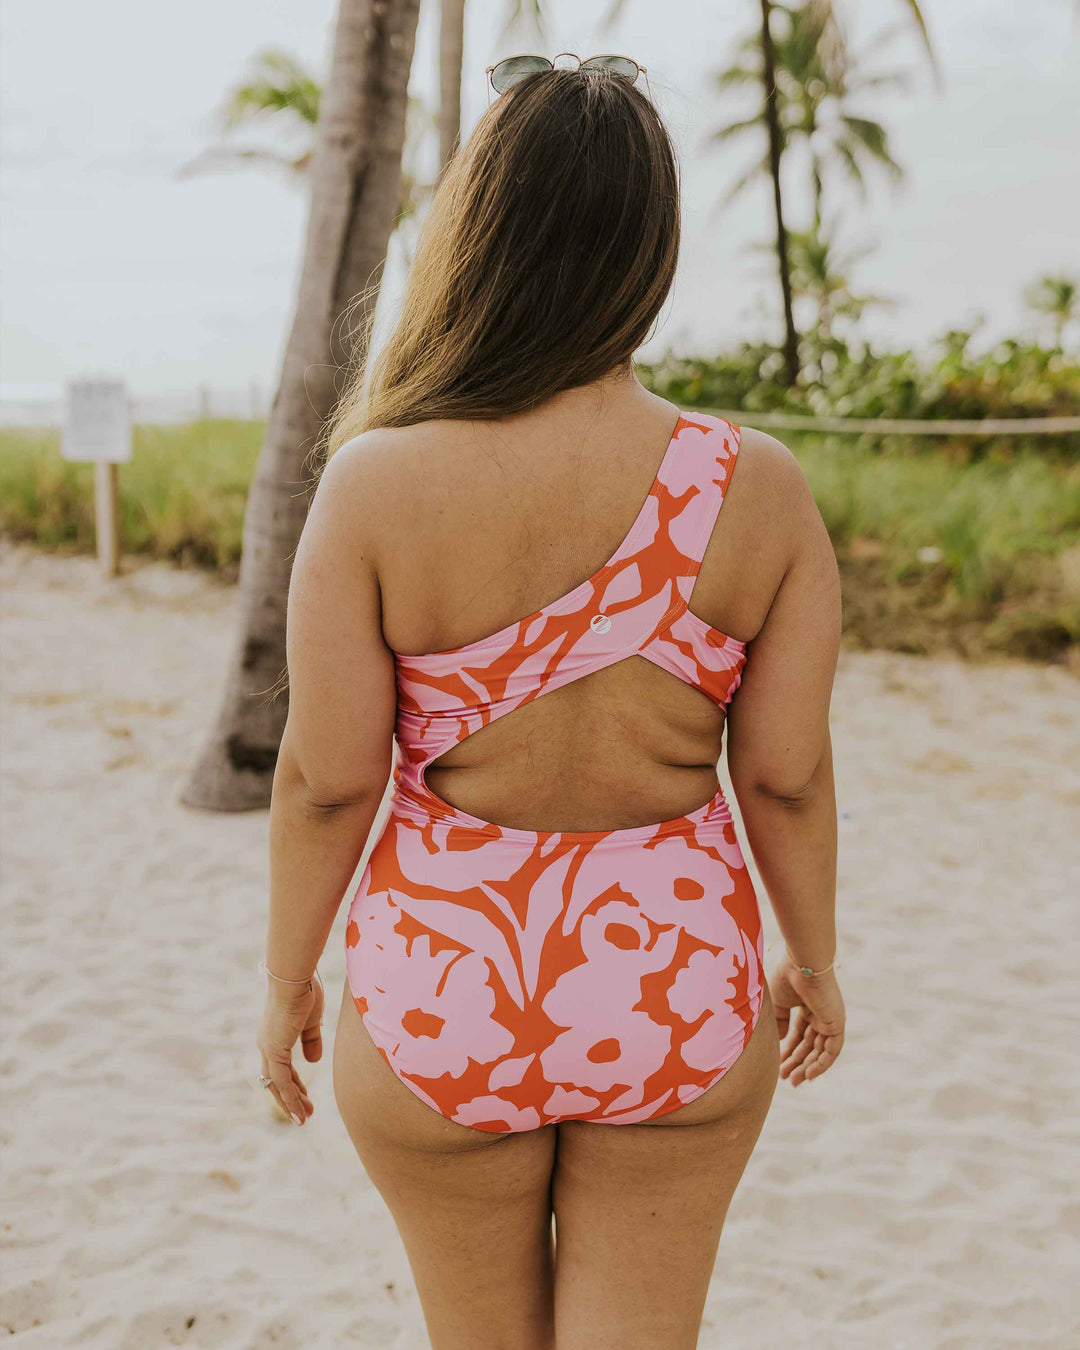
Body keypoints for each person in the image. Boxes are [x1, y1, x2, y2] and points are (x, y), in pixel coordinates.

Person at [256, 53, 845, 1350]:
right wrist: (815, 952)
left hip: (446, 976)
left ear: (476, 236)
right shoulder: (759, 486)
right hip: (674, 975)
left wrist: (288, 974)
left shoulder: (376, 483)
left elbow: (327, 777)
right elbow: (788, 774)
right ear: (652, 247)